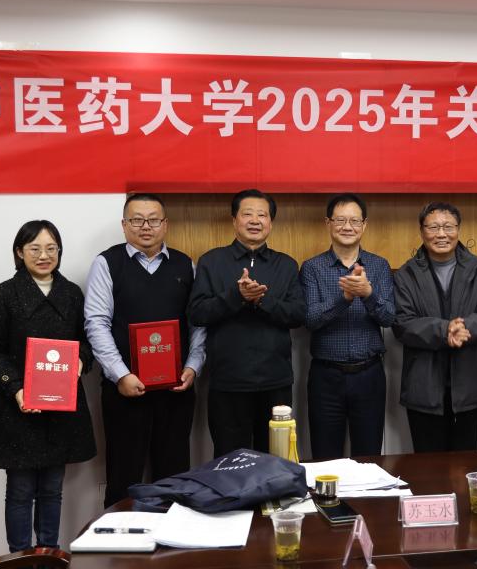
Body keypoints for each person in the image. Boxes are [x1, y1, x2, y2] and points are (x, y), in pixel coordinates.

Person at [0, 220, 96, 552]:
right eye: (35, 248)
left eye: (51, 248)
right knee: (20, 490)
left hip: (60, 406)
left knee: (53, 489)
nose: (44, 255)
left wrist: (81, 361)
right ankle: (20, 558)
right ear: (19, 252)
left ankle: (49, 554)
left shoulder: (72, 293)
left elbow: (87, 340)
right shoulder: (5, 293)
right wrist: (16, 388)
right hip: (17, 407)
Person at [84, 193, 206, 508]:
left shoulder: (185, 264)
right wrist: (121, 375)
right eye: (137, 220)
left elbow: (197, 323)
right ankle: (120, 538)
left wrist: (193, 367)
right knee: (124, 477)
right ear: (124, 225)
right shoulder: (107, 263)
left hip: (176, 390)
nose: (146, 226)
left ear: (165, 224)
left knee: (174, 475)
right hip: (124, 390)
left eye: (153, 219)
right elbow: (96, 323)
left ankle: (174, 538)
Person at [188, 189, 305, 457]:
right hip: (227, 383)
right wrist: (236, 296)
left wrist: (261, 300)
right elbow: (197, 313)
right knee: (231, 463)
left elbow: (298, 315)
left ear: (270, 222)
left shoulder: (286, 265)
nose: (255, 220)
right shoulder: (211, 261)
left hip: (275, 383)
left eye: (262, 215)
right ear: (234, 220)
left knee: (275, 461)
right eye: (247, 214)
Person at [393, 202, 477, 452]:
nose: (441, 234)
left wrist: (464, 327)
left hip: (468, 386)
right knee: (427, 466)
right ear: (422, 231)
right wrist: (444, 330)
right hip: (423, 389)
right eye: (433, 227)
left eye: (448, 227)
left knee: (466, 464)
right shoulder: (406, 274)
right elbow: (402, 323)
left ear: (458, 229)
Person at [300, 193, 395, 459]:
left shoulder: (379, 266)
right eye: (340, 220)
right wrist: (344, 298)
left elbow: (389, 317)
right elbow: (310, 319)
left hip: (369, 375)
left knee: (369, 456)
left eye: (354, 221)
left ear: (364, 225)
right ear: (328, 223)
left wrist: (368, 294)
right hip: (325, 376)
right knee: (325, 457)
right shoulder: (312, 268)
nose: (347, 227)